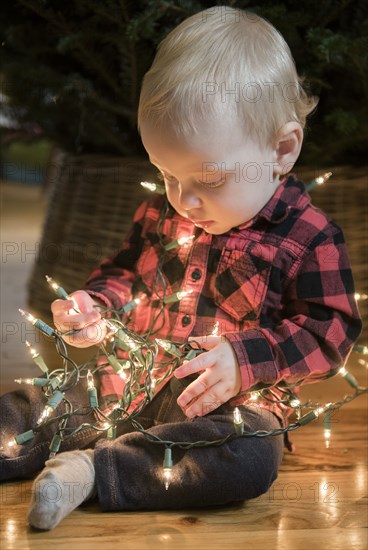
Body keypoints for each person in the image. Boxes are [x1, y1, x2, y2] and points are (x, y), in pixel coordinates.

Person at [0, 6, 362, 530]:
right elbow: (126, 271)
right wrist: (96, 307)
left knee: (247, 461)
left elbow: (332, 332)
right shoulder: (164, 211)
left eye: (209, 179)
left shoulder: (308, 237)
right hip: (132, 380)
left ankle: (94, 470)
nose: (183, 198)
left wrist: (245, 359)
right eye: (167, 174)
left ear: (281, 150)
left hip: (229, 408)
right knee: (43, 403)